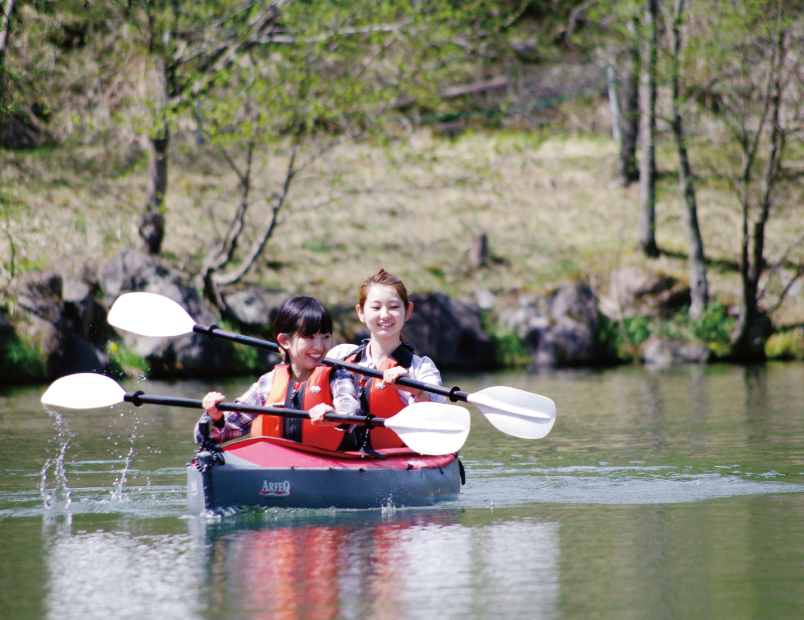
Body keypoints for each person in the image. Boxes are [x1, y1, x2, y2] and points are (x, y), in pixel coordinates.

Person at [194, 295, 359, 451]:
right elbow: (207, 437)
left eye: (325, 336)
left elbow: (349, 406)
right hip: (276, 467)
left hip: (328, 465)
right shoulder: (267, 384)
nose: (319, 346)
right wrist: (216, 417)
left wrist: (337, 416)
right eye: (309, 337)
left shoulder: (337, 376)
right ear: (284, 341)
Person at [328, 269, 446, 451]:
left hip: (399, 461)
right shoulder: (340, 356)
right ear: (361, 312)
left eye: (393, 307)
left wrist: (415, 388)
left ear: (408, 311)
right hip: (344, 458)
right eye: (375, 308)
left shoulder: (421, 367)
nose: (385, 315)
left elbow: (439, 410)